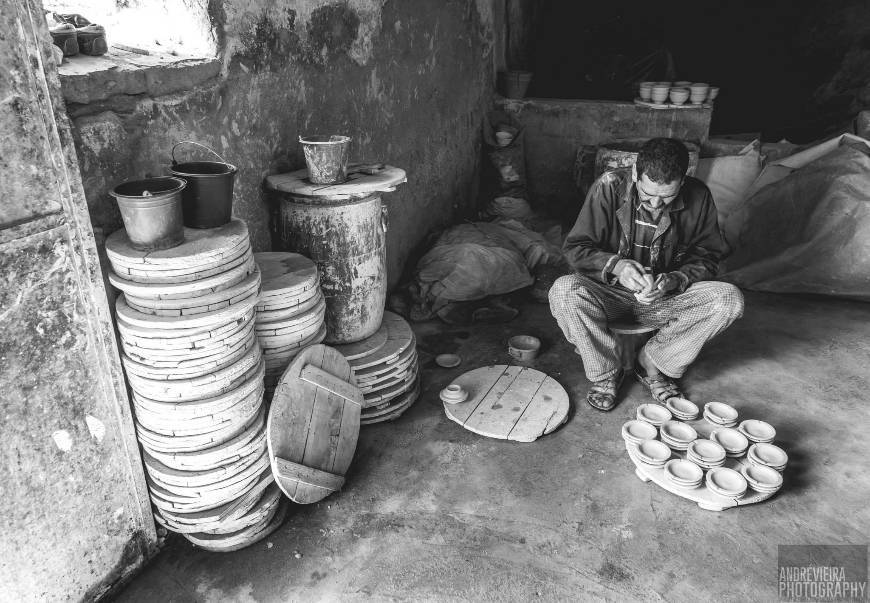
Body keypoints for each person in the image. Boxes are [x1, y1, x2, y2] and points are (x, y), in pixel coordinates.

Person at [548, 138, 744, 411]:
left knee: (729, 300)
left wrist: (674, 280)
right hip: (610, 296)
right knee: (564, 290)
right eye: (648, 193)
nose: (656, 203)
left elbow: (708, 257)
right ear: (635, 173)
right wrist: (616, 266)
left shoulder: (698, 196)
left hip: (664, 300)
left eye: (667, 196)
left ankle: (654, 361)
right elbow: (575, 249)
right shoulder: (609, 187)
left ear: (683, 182)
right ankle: (607, 372)